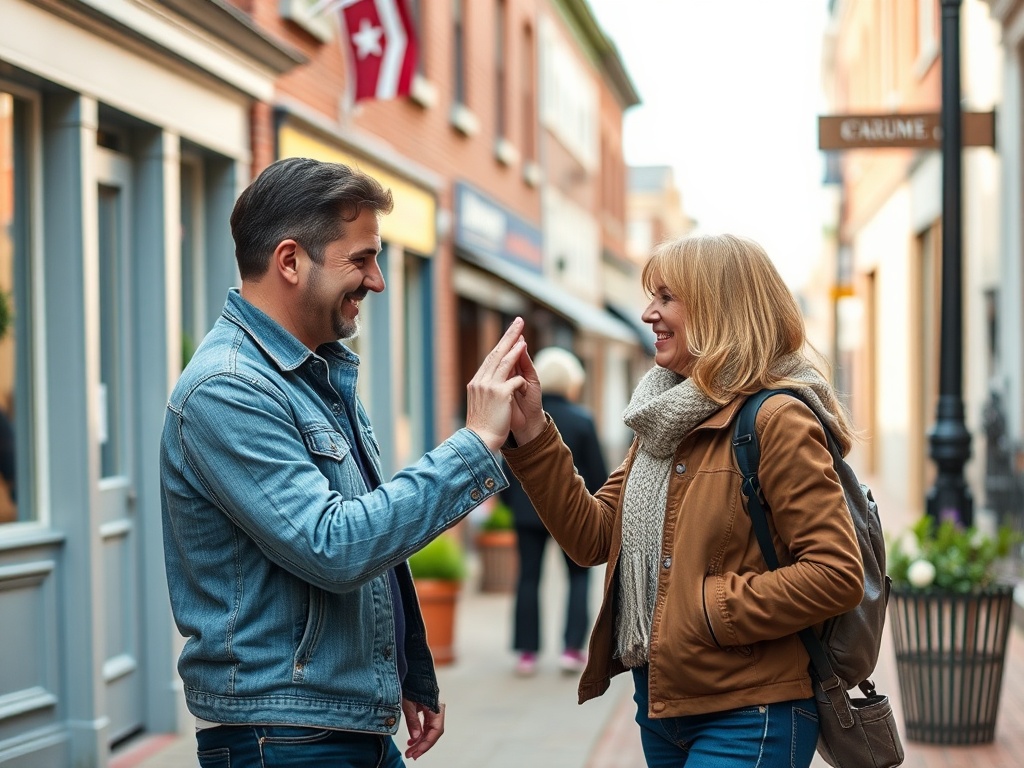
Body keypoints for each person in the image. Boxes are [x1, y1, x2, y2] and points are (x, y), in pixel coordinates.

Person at [159, 157, 527, 768]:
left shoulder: (314, 374)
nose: (377, 281)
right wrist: (475, 445)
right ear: (290, 261)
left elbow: (363, 536)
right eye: (361, 260)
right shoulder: (228, 389)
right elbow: (336, 544)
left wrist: (407, 669)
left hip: (336, 724)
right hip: (282, 737)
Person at [501, 233, 864, 768]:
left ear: (721, 307)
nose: (648, 313)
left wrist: (707, 609)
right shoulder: (662, 419)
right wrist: (532, 435)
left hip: (750, 713)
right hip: (661, 708)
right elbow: (593, 536)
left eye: (667, 297)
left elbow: (836, 572)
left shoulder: (777, 418)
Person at [500, 347, 608, 677]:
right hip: (572, 510)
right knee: (578, 576)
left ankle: (527, 654)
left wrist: (512, 507)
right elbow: (599, 473)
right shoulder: (583, 420)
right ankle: (572, 649)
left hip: (526, 511)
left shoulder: (522, 419)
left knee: (528, 578)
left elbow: (508, 468)